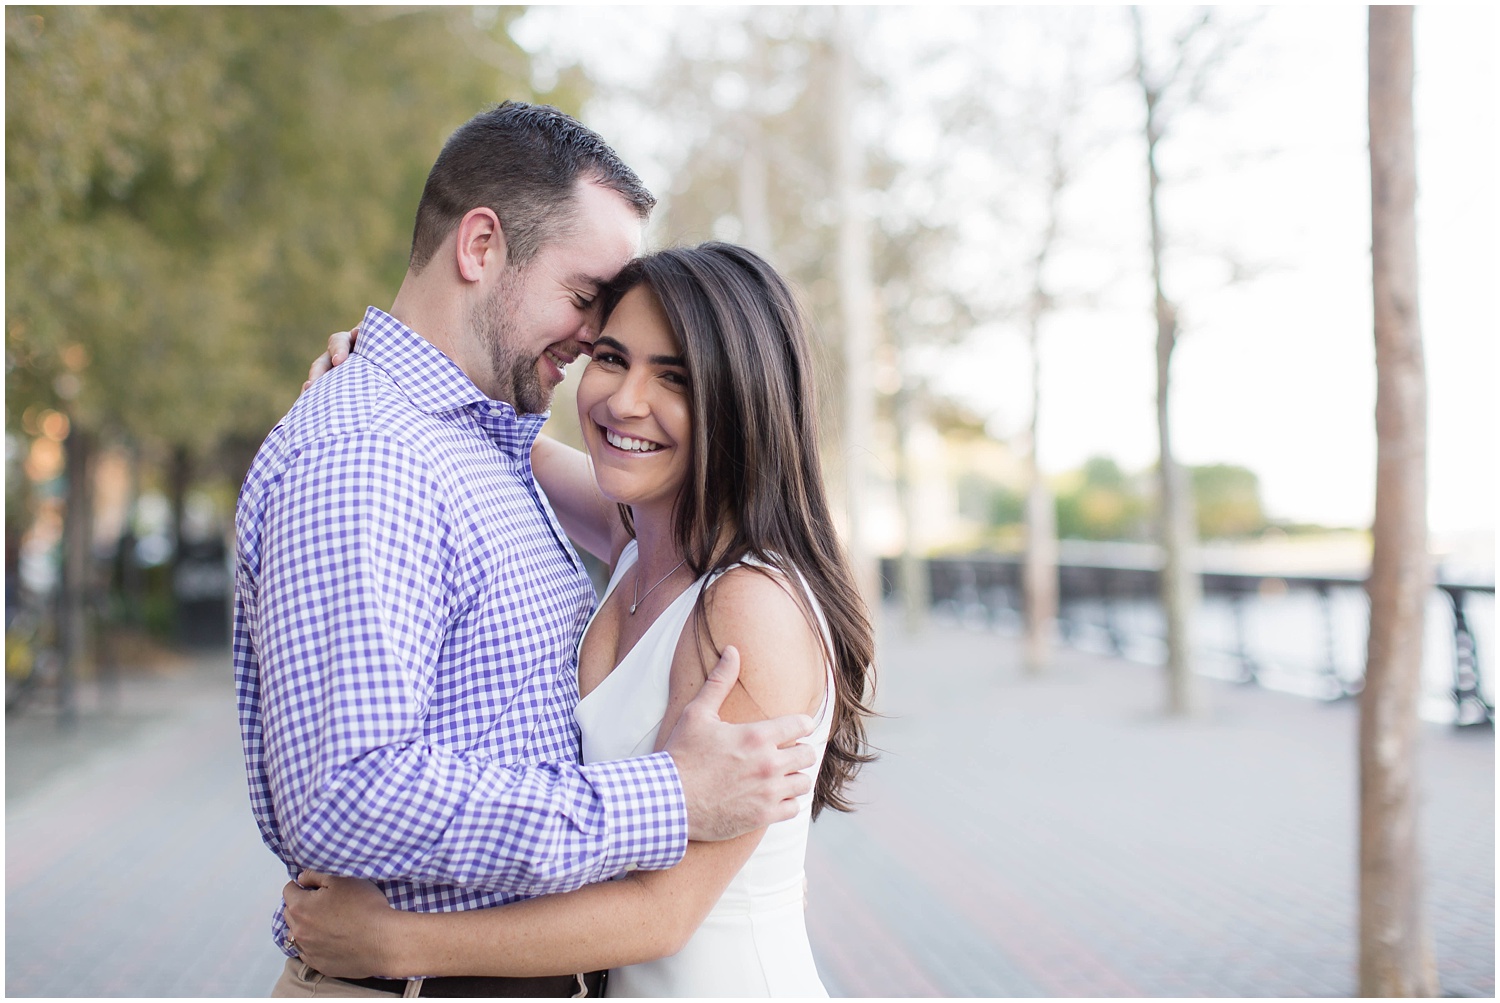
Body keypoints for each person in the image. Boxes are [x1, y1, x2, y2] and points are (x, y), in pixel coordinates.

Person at [233, 105, 819, 999]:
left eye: (674, 376)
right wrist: (667, 794)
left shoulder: (504, 461)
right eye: (593, 309)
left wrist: (390, 383)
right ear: (480, 247)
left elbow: (670, 909)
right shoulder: (371, 453)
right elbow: (348, 791)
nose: (600, 365)